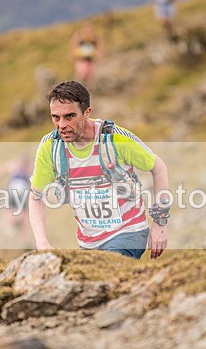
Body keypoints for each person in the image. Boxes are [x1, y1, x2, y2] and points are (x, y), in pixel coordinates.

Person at [28, 80, 169, 259]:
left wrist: (159, 224)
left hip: (128, 232)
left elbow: (159, 167)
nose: (61, 125)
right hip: (88, 242)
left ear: (87, 112)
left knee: (108, 274)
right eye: (56, 117)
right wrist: (42, 243)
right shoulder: (50, 147)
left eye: (69, 116)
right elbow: (35, 196)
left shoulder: (115, 138)